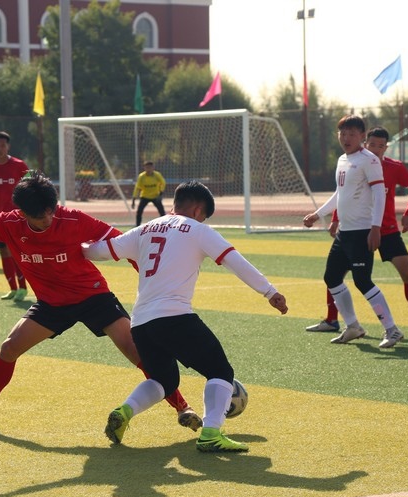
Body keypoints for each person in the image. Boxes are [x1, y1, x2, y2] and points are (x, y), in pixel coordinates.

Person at [0, 171, 202, 435]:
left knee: (135, 350)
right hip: (51, 303)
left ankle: (183, 407)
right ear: (23, 213)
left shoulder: (73, 219)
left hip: (93, 296)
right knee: (9, 348)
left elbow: (124, 243)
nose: (48, 219)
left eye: (51, 211)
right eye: (40, 216)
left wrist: (148, 277)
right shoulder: (8, 224)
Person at [84, 181, 288, 453]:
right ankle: (211, 433)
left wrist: (65, 245)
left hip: (141, 323)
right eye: (204, 216)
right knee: (220, 371)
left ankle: (125, 411)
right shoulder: (198, 230)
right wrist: (270, 292)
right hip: (174, 316)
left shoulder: (144, 229)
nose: (203, 220)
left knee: (163, 381)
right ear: (198, 209)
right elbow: (235, 261)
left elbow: (97, 251)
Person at [306, 127, 408, 335]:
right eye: (372, 145)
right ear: (365, 143)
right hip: (360, 230)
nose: (376, 149)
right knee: (335, 274)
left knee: (406, 273)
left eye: (381, 146)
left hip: (386, 230)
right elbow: (344, 194)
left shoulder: (392, 167)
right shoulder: (356, 162)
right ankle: (332, 320)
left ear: (386, 147)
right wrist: (335, 219)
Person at [303, 115, 403, 349]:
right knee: (331, 278)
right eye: (342, 133)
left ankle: (392, 329)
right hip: (345, 232)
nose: (346, 138)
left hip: (362, 231)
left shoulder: (369, 160)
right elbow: (340, 194)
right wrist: (318, 214)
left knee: (362, 281)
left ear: (362, 136)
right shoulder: (342, 160)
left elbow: (380, 195)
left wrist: (375, 228)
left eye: (352, 134)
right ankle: (353, 326)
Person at [0, 131, 29, 301]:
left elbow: (32, 184)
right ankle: (13, 289)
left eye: (2, 145)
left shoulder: (19, 165)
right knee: (3, 251)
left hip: (17, 217)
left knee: (16, 252)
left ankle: (23, 288)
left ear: (8, 146)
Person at [132, 161, 166, 226]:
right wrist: (134, 199)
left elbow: (163, 183)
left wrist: (161, 193)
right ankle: (137, 226)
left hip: (155, 196)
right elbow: (137, 188)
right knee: (139, 212)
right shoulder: (141, 176)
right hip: (145, 196)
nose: (149, 169)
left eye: (150, 167)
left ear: (153, 168)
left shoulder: (157, 175)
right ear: (144, 168)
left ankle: (164, 226)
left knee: (162, 212)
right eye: (147, 167)